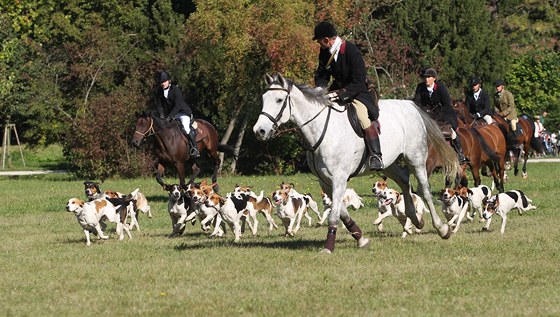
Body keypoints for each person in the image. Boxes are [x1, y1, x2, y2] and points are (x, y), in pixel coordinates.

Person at [313, 21, 383, 171]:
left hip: (357, 92)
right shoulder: (324, 52)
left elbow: (358, 81)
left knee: (363, 118)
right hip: (336, 90)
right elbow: (322, 74)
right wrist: (320, 89)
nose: (319, 43)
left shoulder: (352, 51)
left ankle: (376, 156)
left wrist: (343, 94)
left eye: (319, 40)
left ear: (326, 39)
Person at [413, 67, 469, 164]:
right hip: (428, 115)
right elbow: (417, 102)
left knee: (451, 133)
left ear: (434, 78)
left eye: (429, 77)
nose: (426, 79)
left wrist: (439, 116)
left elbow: (447, 104)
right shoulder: (420, 87)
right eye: (425, 77)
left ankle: (460, 154)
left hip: (445, 114)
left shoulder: (441, 87)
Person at [154, 71, 199, 158]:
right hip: (172, 114)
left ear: (169, 81)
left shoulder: (175, 90)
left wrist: (170, 116)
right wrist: (162, 117)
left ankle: (195, 148)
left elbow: (178, 105)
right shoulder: (160, 91)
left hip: (183, 113)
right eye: (161, 82)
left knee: (185, 128)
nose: (163, 83)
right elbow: (160, 105)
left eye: (164, 81)